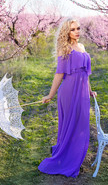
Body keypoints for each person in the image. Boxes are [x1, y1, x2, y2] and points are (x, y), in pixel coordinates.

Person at [38, 18, 97, 178]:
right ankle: (66, 158)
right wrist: (50, 95)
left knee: (81, 124)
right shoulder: (65, 48)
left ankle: (72, 154)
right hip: (69, 92)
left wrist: (90, 91)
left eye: (78, 28)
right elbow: (59, 74)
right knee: (71, 125)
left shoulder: (82, 47)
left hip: (83, 92)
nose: (77, 31)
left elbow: (86, 74)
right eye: (73, 29)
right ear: (67, 32)